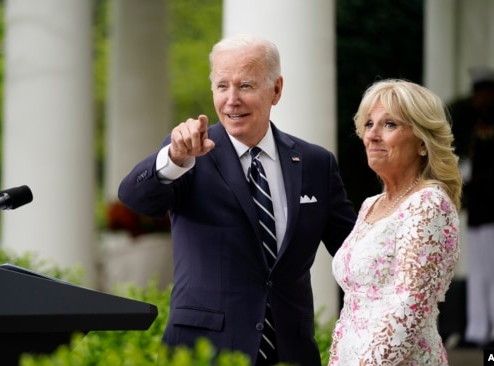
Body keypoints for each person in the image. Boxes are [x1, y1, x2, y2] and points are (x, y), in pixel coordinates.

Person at [118, 34, 357, 366]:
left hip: (290, 351)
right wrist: (172, 158)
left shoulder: (316, 163)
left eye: (245, 85)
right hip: (203, 351)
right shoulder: (188, 155)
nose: (232, 100)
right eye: (221, 86)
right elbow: (135, 198)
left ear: (276, 89)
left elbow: (356, 254)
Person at [328, 79, 463, 365]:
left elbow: (410, 308)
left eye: (389, 124)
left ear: (423, 142)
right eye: (368, 124)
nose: (373, 135)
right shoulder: (369, 205)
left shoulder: (429, 203)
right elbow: (351, 307)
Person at [451, 67, 494, 349]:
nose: (477, 98)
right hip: (479, 211)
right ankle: (478, 329)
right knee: (480, 271)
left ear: (493, 92)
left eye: (482, 92)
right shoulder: (478, 123)